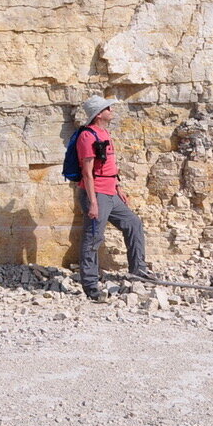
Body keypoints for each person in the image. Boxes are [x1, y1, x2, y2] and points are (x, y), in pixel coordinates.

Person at [73, 95, 156, 302]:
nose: (112, 110)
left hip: (110, 191)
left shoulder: (104, 133)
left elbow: (108, 166)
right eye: (108, 108)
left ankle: (138, 269)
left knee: (133, 223)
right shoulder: (87, 136)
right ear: (99, 114)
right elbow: (87, 172)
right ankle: (91, 286)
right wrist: (92, 202)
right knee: (93, 238)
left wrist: (117, 187)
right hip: (97, 194)